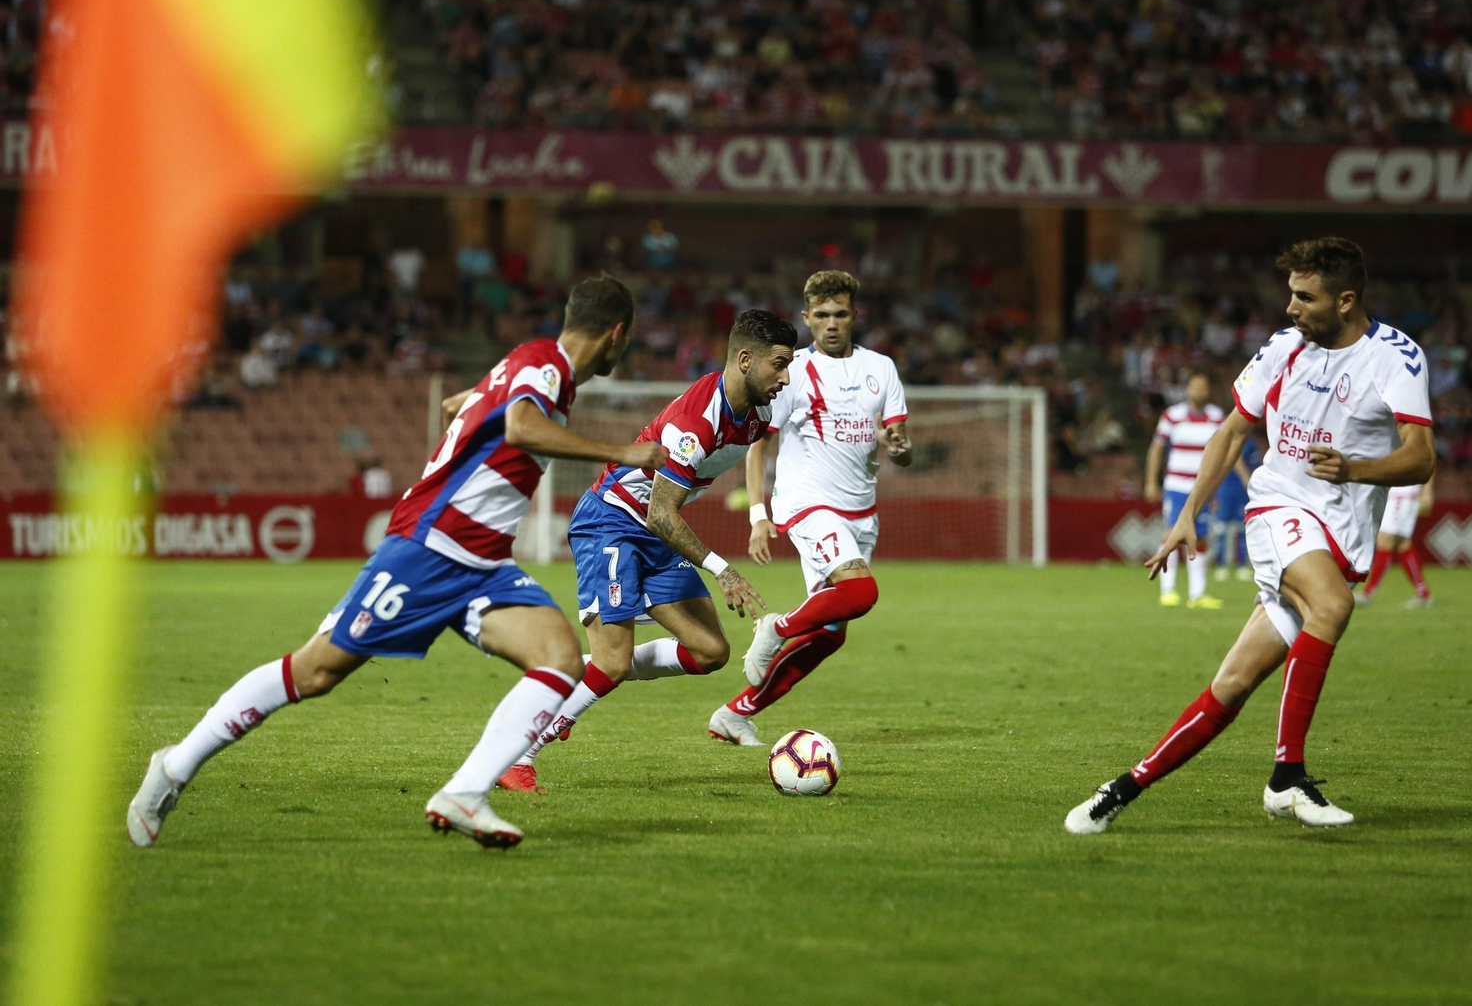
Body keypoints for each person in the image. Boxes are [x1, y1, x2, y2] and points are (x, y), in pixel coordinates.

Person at [127, 276, 666, 849]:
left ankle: (465, 792)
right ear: (617, 333)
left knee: (559, 655)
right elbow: (519, 425)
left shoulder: (530, 366)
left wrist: (471, 398)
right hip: (430, 547)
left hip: (482, 563)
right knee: (316, 671)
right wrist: (620, 452)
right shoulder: (546, 365)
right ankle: (175, 765)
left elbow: (479, 405)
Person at [1065, 237, 1434, 833]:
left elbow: (1420, 459)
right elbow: (1235, 431)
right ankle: (1287, 778)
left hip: (1341, 532)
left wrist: (1355, 468)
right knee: (1334, 605)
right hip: (1278, 507)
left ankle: (1121, 789)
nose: (1290, 308)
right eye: (1290, 294)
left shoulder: (1397, 358)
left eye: (1304, 297)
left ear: (1345, 301)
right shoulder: (1283, 349)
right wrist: (1188, 515)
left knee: (1231, 686)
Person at [497, 309, 797, 791]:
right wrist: (723, 570)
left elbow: (753, 450)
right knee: (614, 661)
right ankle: (521, 752)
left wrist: (759, 513)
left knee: (710, 651)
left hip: (655, 531)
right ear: (745, 359)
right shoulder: (695, 424)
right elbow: (660, 513)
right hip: (612, 523)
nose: (785, 377)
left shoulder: (758, 411)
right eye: (779, 364)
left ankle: (585, 682)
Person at [709, 270, 912, 745]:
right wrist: (759, 516)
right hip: (807, 502)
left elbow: (899, 442)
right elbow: (758, 445)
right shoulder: (792, 369)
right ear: (806, 318)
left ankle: (735, 714)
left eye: (840, 313)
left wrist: (900, 448)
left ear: (854, 315)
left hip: (862, 512)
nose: (832, 323)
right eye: (821, 315)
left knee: (831, 634)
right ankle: (774, 626)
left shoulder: (881, 369)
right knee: (862, 592)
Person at [1143, 370, 1233, 608]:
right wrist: (1151, 482)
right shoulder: (1172, 416)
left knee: (1201, 537)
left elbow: (1224, 451)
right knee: (1171, 533)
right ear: (1187, 389)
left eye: (1203, 387)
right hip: (1176, 486)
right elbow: (1156, 449)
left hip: (1202, 488)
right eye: (1195, 387)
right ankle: (1168, 590)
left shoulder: (1217, 417)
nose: (1199, 392)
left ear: (1208, 391)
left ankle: (1197, 594)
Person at [1357, 476, 1434, 608]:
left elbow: (1429, 458)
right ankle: (1423, 595)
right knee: (1402, 544)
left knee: (1385, 539)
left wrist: (1427, 491)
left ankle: (1367, 594)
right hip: (1393, 487)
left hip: (1404, 488)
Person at [1211, 431, 1260, 582]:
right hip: (1227, 488)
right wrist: (1246, 477)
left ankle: (1242, 565)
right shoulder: (1229, 439)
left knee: (1243, 527)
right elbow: (1234, 458)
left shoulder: (1251, 441)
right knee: (1222, 528)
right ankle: (1221, 565)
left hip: (1242, 490)